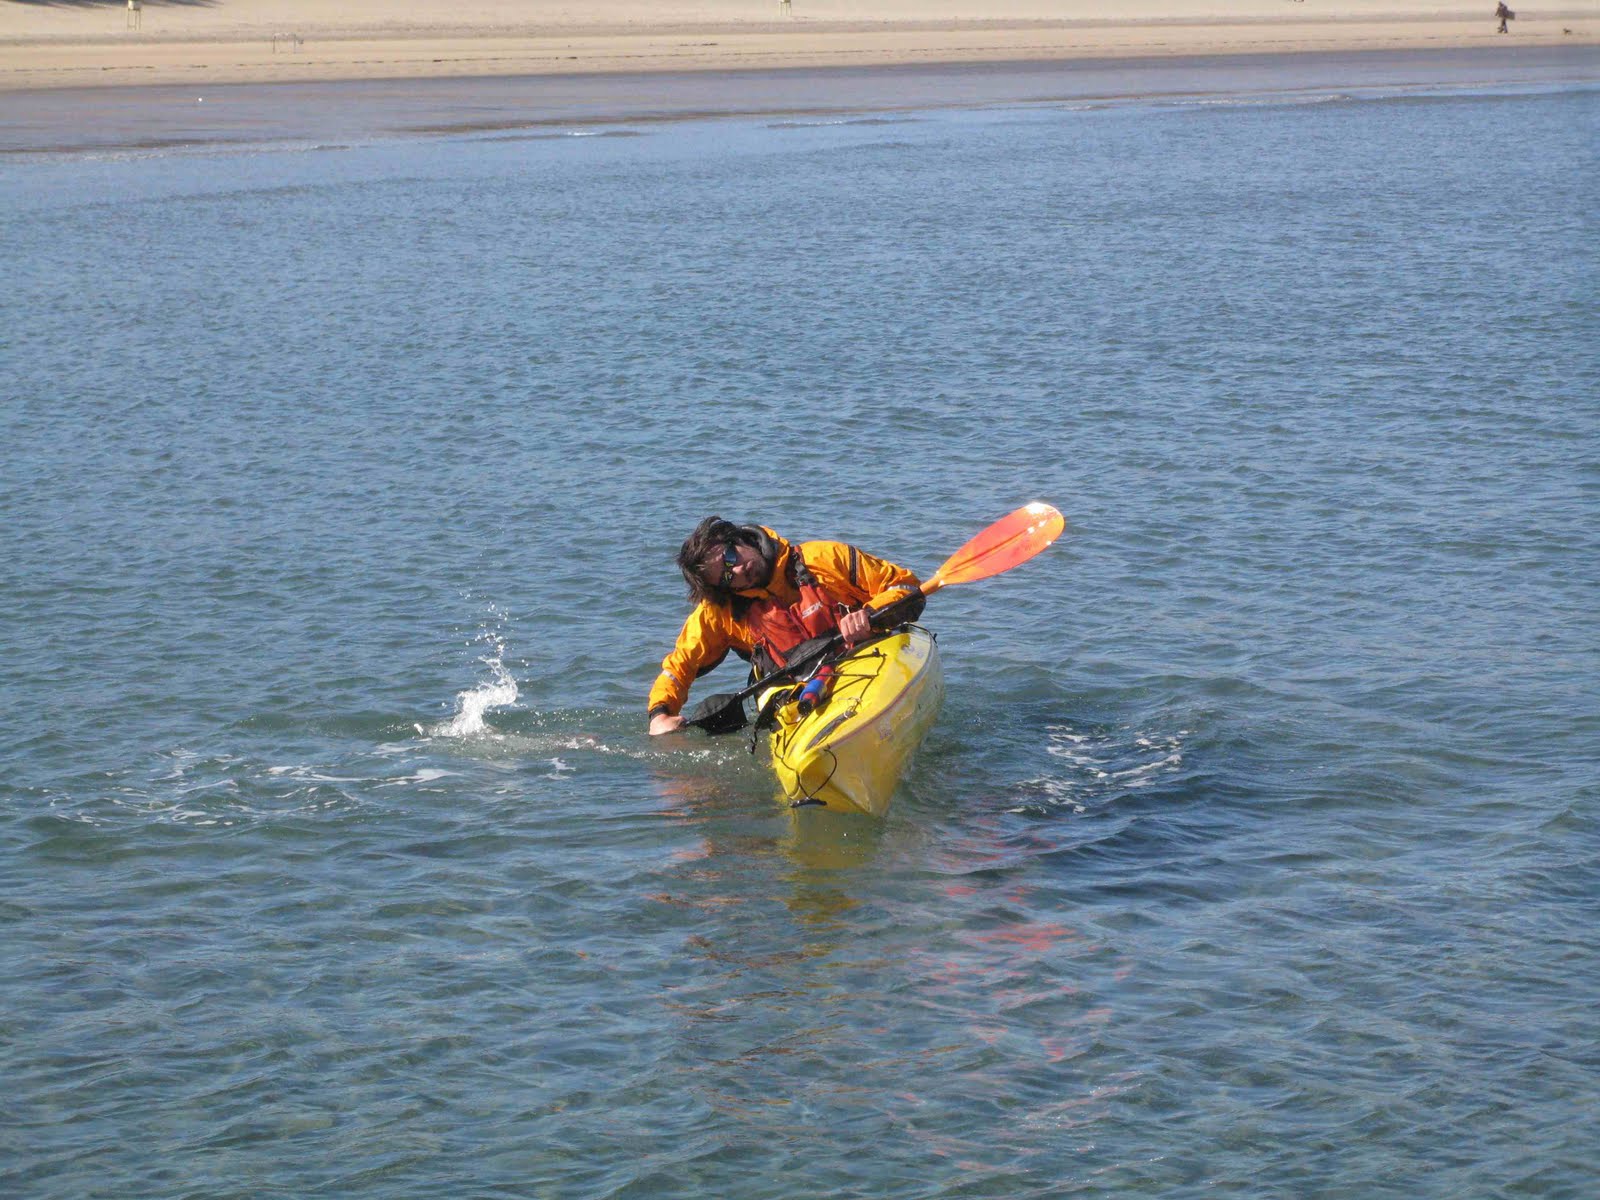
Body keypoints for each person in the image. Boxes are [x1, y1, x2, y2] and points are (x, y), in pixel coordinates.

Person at [648, 517, 924, 734]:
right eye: (726, 577)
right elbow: (679, 666)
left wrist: (870, 614)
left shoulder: (824, 558)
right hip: (797, 692)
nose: (739, 570)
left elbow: (904, 586)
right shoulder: (721, 613)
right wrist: (660, 714)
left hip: (866, 657)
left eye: (730, 558)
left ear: (740, 539)